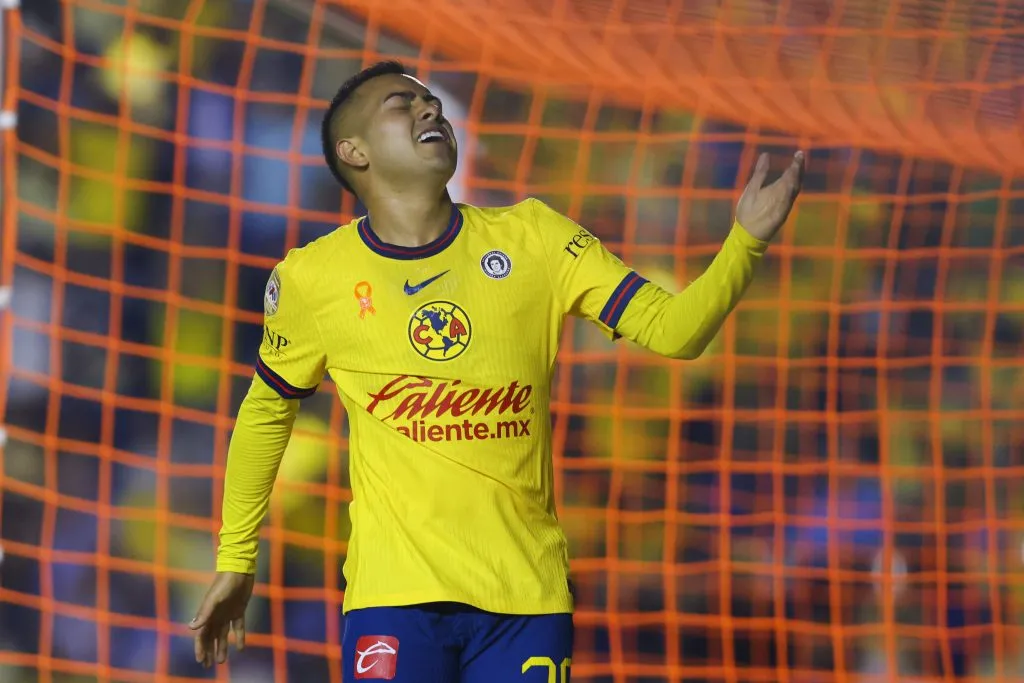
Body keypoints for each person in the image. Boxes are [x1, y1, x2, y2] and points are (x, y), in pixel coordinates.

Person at [189, 60, 804, 681]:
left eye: (431, 101)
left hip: (526, 600)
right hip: (394, 599)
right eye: (402, 104)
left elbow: (675, 331)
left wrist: (745, 241)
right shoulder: (312, 277)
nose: (429, 109)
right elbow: (266, 413)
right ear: (354, 151)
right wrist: (236, 558)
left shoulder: (536, 238)